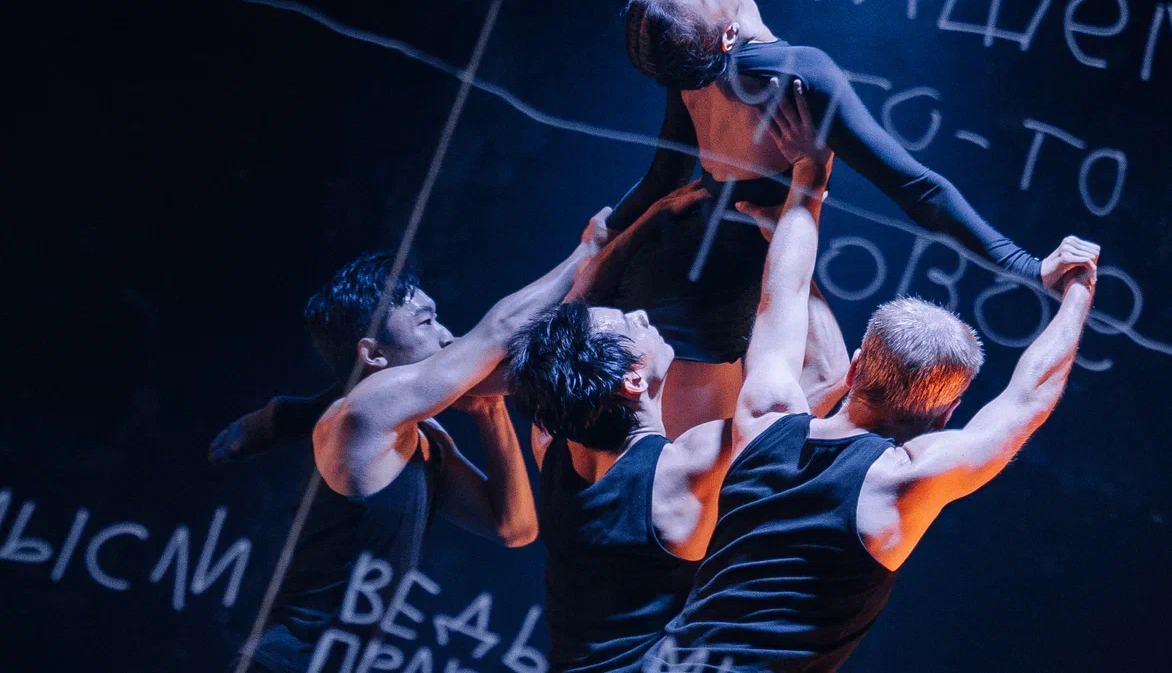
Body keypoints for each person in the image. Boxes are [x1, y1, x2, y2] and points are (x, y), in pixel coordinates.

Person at [640, 145, 1099, 671]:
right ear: (946, 414)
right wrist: (1079, 289)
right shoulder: (899, 484)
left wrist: (808, 184)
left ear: (854, 369)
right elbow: (1029, 398)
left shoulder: (764, 419)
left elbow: (781, 296)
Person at [613, 0, 1089, 437]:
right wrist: (1029, 267)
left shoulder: (692, 61)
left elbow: (662, 180)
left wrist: (605, 241)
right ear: (726, 34)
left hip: (678, 272)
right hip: (708, 309)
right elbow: (918, 189)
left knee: (821, 381)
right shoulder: (798, 74)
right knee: (719, 460)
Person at [503, 122, 844, 673]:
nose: (641, 315)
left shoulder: (554, 450)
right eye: (630, 324)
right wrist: (802, 204)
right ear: (633, 380)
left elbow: (572, 309)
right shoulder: (683, 471)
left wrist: (653, 215)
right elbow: (825, 373)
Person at [234, 207, 611, 673]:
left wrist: (489, 411)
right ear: (373, 354)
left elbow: (514, 527)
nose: (448, 336)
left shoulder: (424, 437)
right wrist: (588, 249)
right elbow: (497, 332)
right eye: (426, 322)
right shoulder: (360, 414)